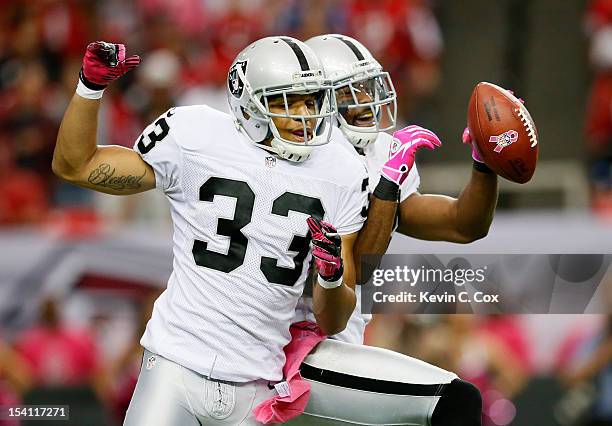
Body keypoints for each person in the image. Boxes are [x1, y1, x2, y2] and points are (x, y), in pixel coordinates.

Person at [52, 37, 418, 425]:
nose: (303, 114)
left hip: (259, 384)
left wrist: (330, 277)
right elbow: (76, 166)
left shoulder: (341, 172)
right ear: (249, 103)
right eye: (285, 101)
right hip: (175, 364)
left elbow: (334, 321)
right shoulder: (195, 136)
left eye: (310, 100)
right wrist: (90, 89)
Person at [284, 34, 501, 426]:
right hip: (294, 349)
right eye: (351, 91)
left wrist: (484, 162)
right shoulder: (304, 163)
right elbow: (356, 269)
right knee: (455, 403)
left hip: (339, 347)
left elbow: (462, 224)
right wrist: (386, 186)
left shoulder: (376, 152)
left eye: (368, 87)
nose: (367, 100)